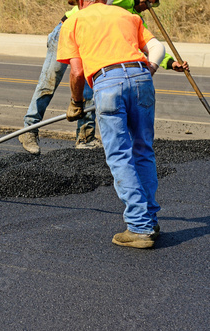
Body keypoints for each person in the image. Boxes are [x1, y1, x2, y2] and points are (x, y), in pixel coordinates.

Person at [56, 0, 185, 248]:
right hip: (141, 76)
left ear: (79, 1)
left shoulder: (73, 21)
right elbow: (156, 47)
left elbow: (77, 72)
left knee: (119, 155)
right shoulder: (125, 14)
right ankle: (150, 220)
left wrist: (76, 102)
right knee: (143, 150)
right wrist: (150, 69)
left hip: (107, 83)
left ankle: (139, 227)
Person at [18, 0, 187, 155]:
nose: (148, 7)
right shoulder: (121, 2)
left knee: (93, 85)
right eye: (149, 2)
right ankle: (29, 130)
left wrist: (170, 63)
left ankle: (85, 138)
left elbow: (144, 45)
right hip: (68, 31)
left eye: (154, 4)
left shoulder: (133, 16)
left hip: (91, 38)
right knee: (49, 82)